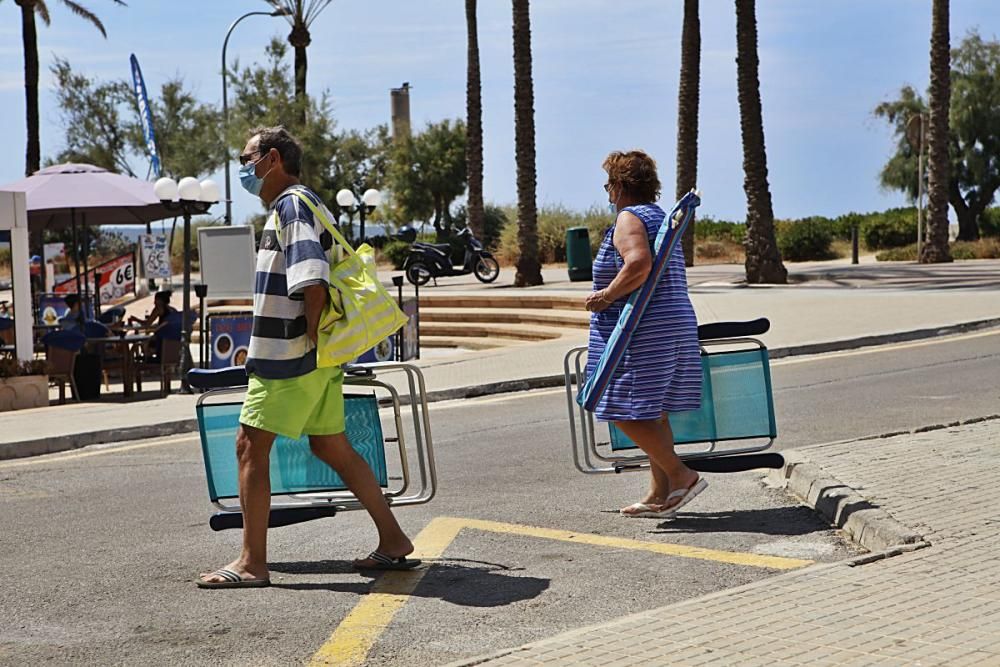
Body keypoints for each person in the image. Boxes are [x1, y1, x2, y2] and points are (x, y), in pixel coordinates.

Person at [197, 126, 418, 589]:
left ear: (272, 158)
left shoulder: (290, 206)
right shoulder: (310, 200)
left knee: (248, 445)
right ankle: (394, 540)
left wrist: (311, 338)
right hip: (316, 359)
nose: (244, 170)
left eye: (247, 159)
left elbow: (311, 278)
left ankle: (252, 563)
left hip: (290, 355)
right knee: (330, 445)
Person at [584, 150, 706, 519]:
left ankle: (681, 475)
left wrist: (605, 296)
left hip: (642, 331)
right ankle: (659, 493)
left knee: (612, 403)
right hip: (672, 325)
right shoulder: (659, 216)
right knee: (653, 413)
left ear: (620, 186)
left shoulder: (628, 217)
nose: (607, 191)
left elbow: (638, 263)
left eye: (609, 184)